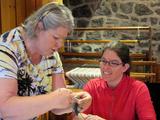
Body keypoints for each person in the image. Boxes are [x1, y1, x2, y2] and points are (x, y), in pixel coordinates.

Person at [0, 2, 91, 120]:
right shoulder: (8, 47)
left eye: (63, 39)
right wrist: (54, 98)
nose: (60, 45)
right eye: (56, 37)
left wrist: (78, 104)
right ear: (39, 27)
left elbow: (57, 108)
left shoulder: (52, 54)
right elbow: (5, 109)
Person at [76, 41, 156, 120]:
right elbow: (77, 114)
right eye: (103, 61)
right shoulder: (92, 85)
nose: (106, 67)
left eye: (113, 63)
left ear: (125, 67)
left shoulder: (139, 89)